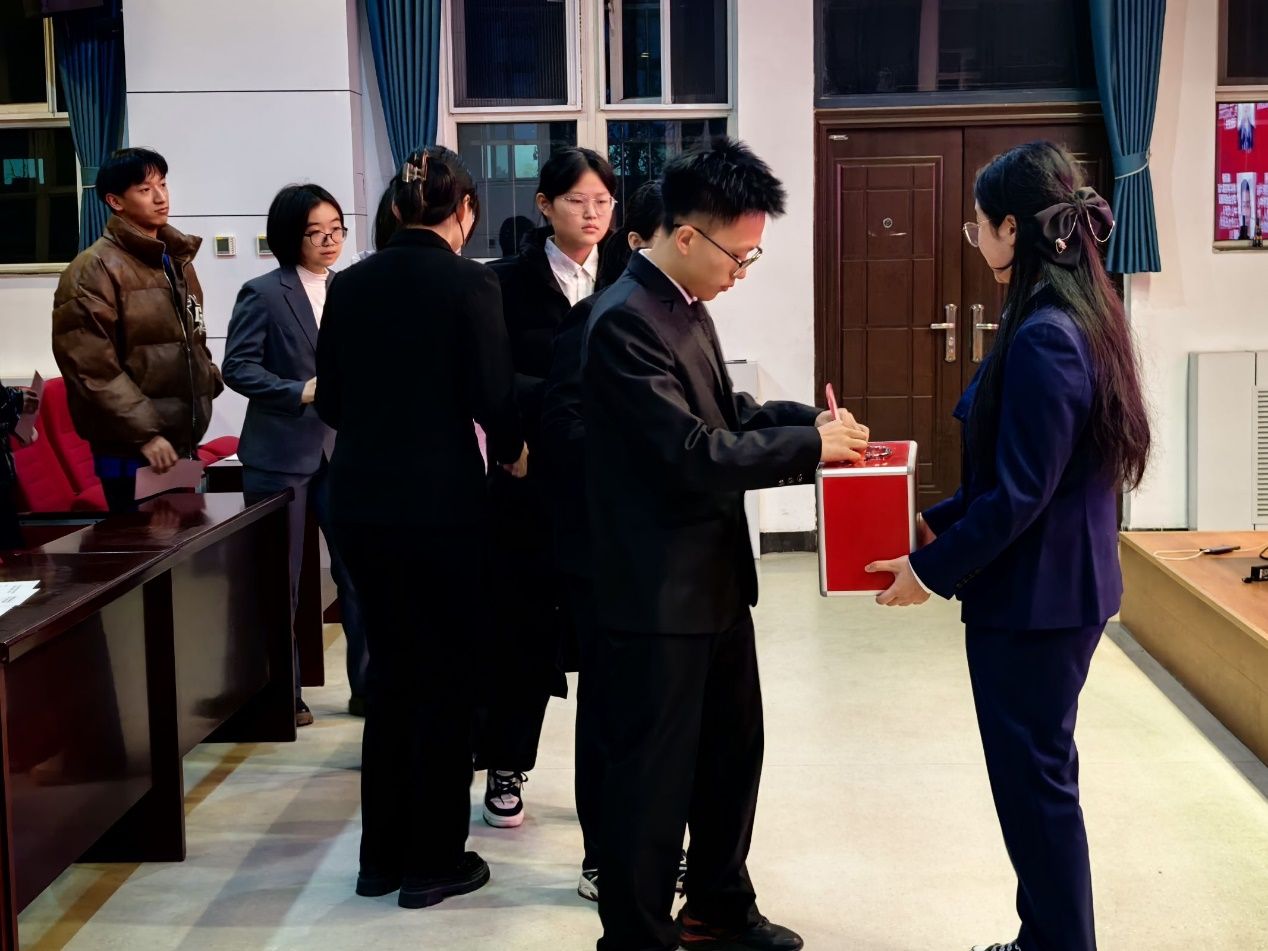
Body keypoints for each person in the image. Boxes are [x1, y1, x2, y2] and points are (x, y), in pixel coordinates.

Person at [582, 137, 869, 951]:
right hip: (655, 598)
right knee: (652, 782)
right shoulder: (624, 322)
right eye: (738, 255)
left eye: (752, 256)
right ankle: (636, 937)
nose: (743, 271)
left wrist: (809, 424)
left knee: (729, 759)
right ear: (685, 235)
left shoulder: (683, 305)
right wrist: (810, 448)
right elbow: (692, 453)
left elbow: (727, 415)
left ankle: (717, 906)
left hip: (710, 586)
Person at [867, 141, 1151, 951]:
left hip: (1039, 602)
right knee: (1037, 782)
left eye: (978, 225)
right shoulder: (1072, 313)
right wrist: (939, 521)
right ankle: (1045, 938)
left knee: (1036, 789)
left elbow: (1023, 493)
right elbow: (1024, 471)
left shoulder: (1047, 334)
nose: (976, 239)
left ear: (1013, 229)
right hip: (1053, 588)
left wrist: (929, 569)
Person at [315, 146, 528, 910]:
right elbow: (492, 393)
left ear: (396, 208)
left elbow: (330, 400)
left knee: (391, 675)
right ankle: (434, 861)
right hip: (440, 506)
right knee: (445, 679)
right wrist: (514, 450)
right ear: (464, 211)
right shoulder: (471, 282)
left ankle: (380, 859)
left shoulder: (349, 284)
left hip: (358, 503)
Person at [540, 180, 675, 903]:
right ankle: (604, 856)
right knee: (611, 710)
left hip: (663, 555)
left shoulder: (679, 317)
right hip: (604, 551)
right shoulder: (599, 318)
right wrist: (644, 454)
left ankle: (652, 849)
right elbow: (562, 429)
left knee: (657, 716)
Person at [479, 148, 619, 830]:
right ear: (544, 205)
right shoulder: (504, 281)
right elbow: (492, 377)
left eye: (603, 202)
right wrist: (532, 425)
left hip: (606, 483)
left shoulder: (628, 274)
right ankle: (506, 763)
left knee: (607, 637)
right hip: (528, 476)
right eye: (576, 201)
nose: (592, 214)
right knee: (522, 631)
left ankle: (610, 783)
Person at [223, 183, 370, 728]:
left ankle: (368, 688)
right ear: (290, 237)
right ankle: (281, 694)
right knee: (280, 579)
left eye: (336, 229)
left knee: (358, 572)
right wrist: (296, 390)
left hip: (342, 448)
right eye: (316, 232)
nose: (330, 240)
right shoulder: (263, 292)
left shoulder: (349, 287)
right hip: (280, 453)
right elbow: (237, 367)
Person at [51, 147, 222, 511]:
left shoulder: (175, 259)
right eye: (145, 189)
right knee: (146, 542)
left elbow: (193, 335)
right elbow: (92, 369)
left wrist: (208, 379)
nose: (160, 197)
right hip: (132, 449)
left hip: (178, 440)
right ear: (115, 201)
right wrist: (145, 435)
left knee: (184, 537)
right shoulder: (93, 268)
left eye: (163, 184)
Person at [0, 385, 40, 549]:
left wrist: (22, 412)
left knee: (13, 549)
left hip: (4, 483)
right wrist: (13, 400)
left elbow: (28, 436)